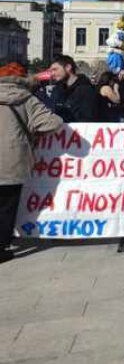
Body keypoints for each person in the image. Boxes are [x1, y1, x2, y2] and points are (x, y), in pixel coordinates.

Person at [1, 63, 64, 263]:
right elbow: (54, 122)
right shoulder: (27, 99)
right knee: (6, 207)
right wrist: (32, 130)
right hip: (12, 159)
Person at [49, 55, 97, 122]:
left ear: (68, 67)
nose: (52, 74)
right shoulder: (56, 90)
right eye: (51, 71)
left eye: (55, 69)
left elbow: (87, 119)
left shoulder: (86, 90)